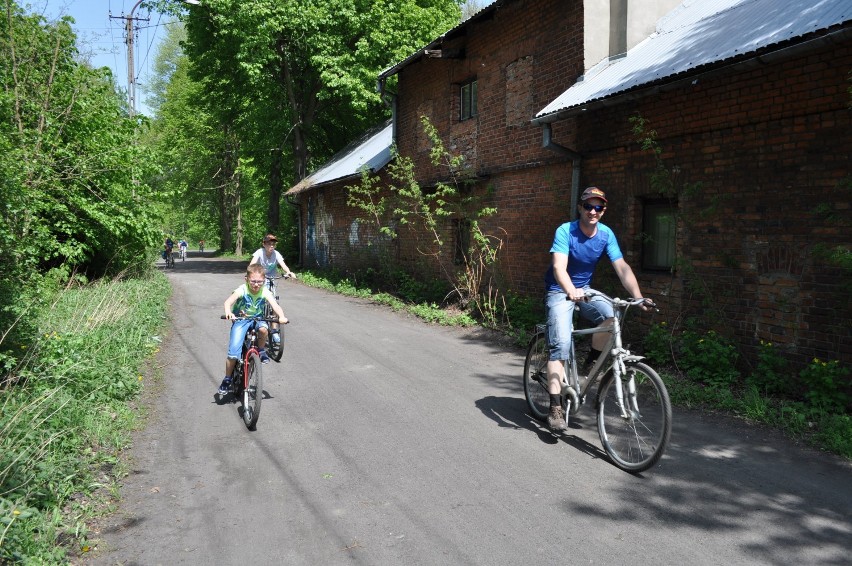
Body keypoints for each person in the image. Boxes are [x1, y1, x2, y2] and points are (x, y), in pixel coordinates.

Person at [543, 186, 648, 432]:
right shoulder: (565, 231)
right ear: (580, 207)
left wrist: (639, 298)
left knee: (613, 317)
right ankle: (555, 407)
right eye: (589, 206)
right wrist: (569, 290)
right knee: (560, 345)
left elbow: (621, 267)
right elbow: (559, 267)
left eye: (598, 207)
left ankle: (590, 364)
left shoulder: (605, 234)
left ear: (603, 210)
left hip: (585, 290)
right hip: (560, 290)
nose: (593, 211)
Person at [218, 264, 288, 395]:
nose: (256, 285)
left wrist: (282, 316)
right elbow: (228, 302)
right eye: (253, 281)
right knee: (233, 353)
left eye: (260, 282)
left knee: (263, 329)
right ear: (246, 279)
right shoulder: (242, 289)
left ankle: (261, 350)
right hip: (241, 320)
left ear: (264, 281)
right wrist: (229, 312)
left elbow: (275, 306)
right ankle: (227, 379)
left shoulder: (265, 291)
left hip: (258, 318)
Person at [249, 233, 296, 344]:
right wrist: (249, 274)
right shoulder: (259, 252)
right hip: (260, 279)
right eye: (269, 243)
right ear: (264, 244)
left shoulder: (276, 254)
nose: (272, 246)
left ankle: (274, 330)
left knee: (274, 302)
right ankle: (256, 324)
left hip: (272, 279)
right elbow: (252, 264)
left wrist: (289, 272)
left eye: (273, 243)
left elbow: (283, 265)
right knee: (258, 300)